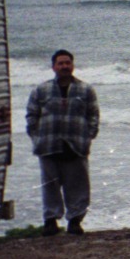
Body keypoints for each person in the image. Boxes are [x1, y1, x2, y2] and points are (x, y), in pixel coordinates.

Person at [24, 50, 100, 236]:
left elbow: (93, 116)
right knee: (50, 185)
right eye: (60, 63)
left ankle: (75, 221)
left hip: (76, 145)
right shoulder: (41, 90)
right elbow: (32, 116)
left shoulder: (86, 89)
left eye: (67, 63)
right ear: (53, 67)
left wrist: (88, 136)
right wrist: (37, 137)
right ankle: (51, 221)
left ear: (72, 65)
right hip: (48, 145)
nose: (64, 66)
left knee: (78, 185)